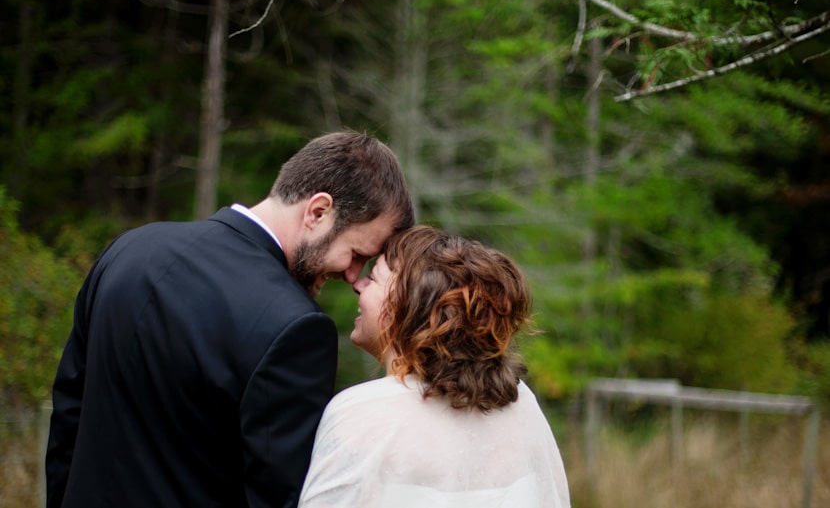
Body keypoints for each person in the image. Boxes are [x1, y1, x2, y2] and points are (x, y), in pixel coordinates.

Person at [45, 130, 415, 508]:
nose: (353, 276)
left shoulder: (130, 249)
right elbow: (278, 497)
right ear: (318, 212)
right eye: (355, 253)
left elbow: (68, 418)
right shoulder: (296, 327)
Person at [298, 225, 571, 508]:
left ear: (406, 305)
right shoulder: (519, 402)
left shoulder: (359, 412)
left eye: (374, 278)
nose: (358, 284)